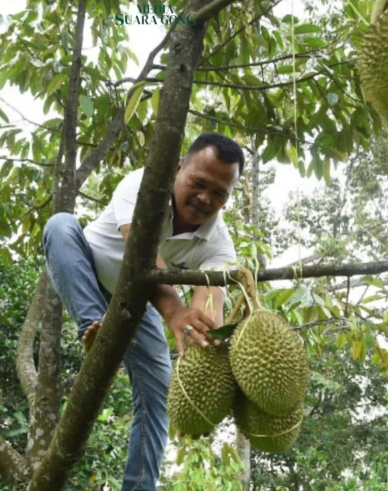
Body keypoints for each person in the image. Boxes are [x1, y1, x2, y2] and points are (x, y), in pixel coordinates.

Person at [41, 132, 244, 490]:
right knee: (60, 225)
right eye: (199, 183)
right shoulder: (142, 185)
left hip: (139, 303)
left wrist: (201, 353)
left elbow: (204, 313)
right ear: (179, 168)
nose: (204, 198)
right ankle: (94, 327)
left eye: (219, 194)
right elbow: (141, 251)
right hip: (87, 272)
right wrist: (175, 312)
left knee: (157, 394)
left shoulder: (219, 246)